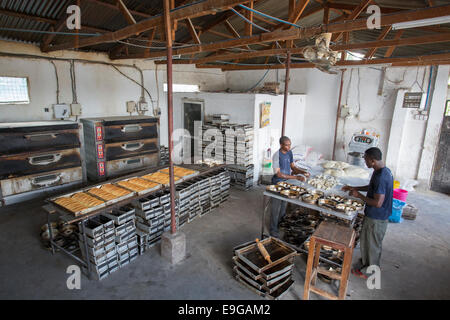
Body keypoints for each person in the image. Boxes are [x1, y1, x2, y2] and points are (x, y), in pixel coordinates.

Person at [342, 147, 393, 279]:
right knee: (367, 241)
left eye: (365, 159)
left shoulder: (382, 177)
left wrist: (358, 195)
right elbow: (372, 188)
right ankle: (367, 263)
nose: (364, 162)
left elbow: (378, 203)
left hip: (377, 217)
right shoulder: (381, 170)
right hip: (375, 215)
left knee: (373, 244)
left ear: (372, 160)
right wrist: (355, 188)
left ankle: (370, 272)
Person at [270, 136, 310, 238]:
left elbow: (293, 167)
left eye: (289, 144)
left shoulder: (289, 153)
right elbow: (278, 174)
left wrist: (302, 172)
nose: (289, 147)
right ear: (281, 145)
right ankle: (273, 229)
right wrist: (296, 177)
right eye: (286, 145)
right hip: (277, 184)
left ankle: (280, 225)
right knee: (275, 208)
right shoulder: (276, 156)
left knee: (283, 206)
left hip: (286, 183)